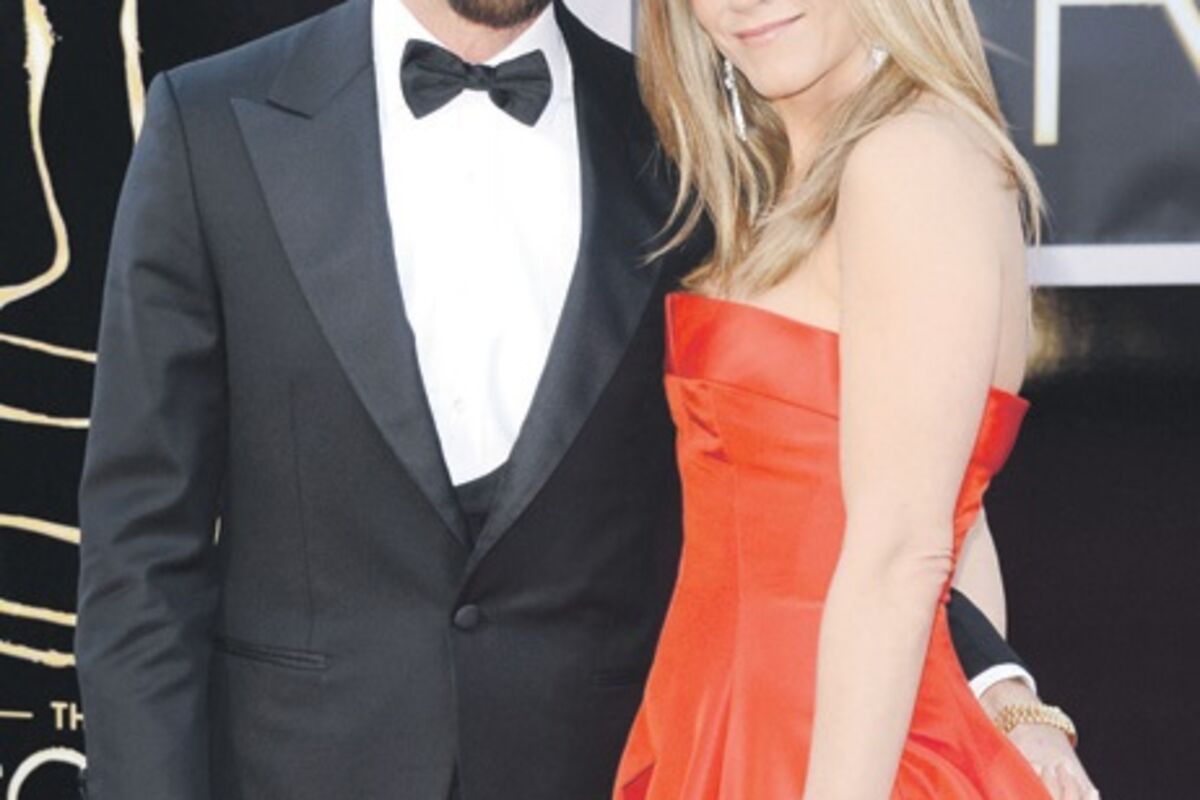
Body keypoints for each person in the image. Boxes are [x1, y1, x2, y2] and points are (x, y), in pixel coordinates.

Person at [75, 0, 1077, 798]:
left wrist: (1003, 689)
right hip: (317, 768)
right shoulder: (211, 124)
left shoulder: (683, 154)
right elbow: (140, 554)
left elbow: (905, 499)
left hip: (630, 758)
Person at [613, 0, 1100, 798]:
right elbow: (950, 507)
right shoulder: (789, 171)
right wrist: (1006, 694)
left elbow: (905, 552)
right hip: (727, 720)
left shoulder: (907, 161)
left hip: (836, 754)